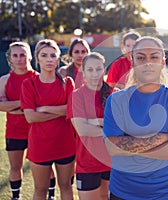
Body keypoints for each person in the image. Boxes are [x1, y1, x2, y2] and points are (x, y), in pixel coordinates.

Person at [103, 36, 168, 199]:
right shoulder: (116, 100)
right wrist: (161, 139)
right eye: (140, 57)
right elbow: (112, 148)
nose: (148, 62)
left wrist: (130, 147)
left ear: (162, 61)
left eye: (154, 56)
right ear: (132, 60)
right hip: (123, 191)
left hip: (167, 192)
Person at [20, 39, 75, 200]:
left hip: (65, 143)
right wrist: (61, 111)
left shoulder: (67, 83)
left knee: (66, 186)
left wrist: (45, 109)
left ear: (58, 59)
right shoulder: (29, 84)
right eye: (44, 55)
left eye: (53, 56)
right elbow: (30, 117)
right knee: (41, 189)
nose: (49, 59)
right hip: (39, 144)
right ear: (37, 59)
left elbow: (71, 110)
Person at [0, 42, 56, 200]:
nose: (19, 58)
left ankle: (51, 195)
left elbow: (42, 106)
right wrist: (25, 103)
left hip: (38, 130)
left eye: (23, 54)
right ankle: (15, 196)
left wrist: (17, 106)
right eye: (15, 55)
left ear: (30, 56)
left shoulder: (39, 78)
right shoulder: (4, 80)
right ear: (10, 58)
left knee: (46, 165)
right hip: (14, 131)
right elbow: (1, 105)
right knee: (15, 166)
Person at [67, 52, 112, 200]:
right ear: (83, 72)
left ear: (104, 69)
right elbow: (82, 129)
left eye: (98, 69)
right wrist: (108, 125)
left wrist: (93, 121)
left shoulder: (115, 94)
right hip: (87, 162)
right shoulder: (77, 95)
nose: (95, 74)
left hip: (112, 161)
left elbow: (122, 128)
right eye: (90, 70)